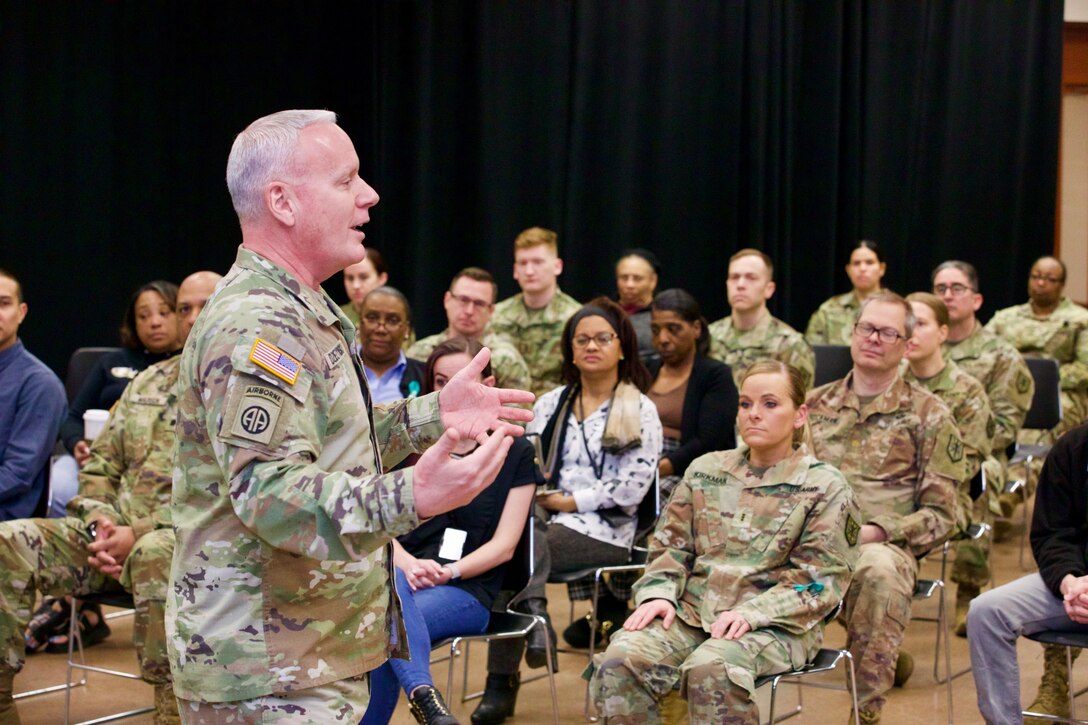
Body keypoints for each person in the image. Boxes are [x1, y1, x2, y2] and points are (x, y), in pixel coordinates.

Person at [167, 109, 533, 723]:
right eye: (346, 180)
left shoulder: (306, 306)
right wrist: (413, 493)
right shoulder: (259, 321)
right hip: (265, 668)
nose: (369, 195)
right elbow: (268, 493)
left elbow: (329, 441)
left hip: (307, 651)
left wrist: (431, 414)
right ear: (282, 201)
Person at [0, 270, 222, 725]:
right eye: (184, 308)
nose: (193, 318)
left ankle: (173, 714)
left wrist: (136, 533)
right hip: (109, 542)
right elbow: (100, 466)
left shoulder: (252, 387)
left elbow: (234, 497)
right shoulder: (146, 384)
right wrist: (102, 524)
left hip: (196, 550)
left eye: (205, 305)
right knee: (8, 541)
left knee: (157, 552)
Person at [590, 360, 860, 724]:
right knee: (620, 657)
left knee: (710, 668)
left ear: (799, 415)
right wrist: (658, 594)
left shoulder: (824, 487)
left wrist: (753, 614)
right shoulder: (706, 471)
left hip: (776, 625)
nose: (753, 415)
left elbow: (819, 583)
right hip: (691, 614)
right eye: (745, 404)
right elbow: (669, 549)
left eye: (770, 404)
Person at [473, 297, 662, 725]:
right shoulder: (551, 402)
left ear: (622, 347)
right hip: (544, 520)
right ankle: (534, 615)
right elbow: (525, 464)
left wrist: (570, 501)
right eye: (582, 339)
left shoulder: (640, 408)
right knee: (519, 542)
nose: (591, 346)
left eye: (602, 338)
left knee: (515, 553)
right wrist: (540, 495)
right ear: (570, 349)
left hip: (606, 530)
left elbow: (632, 490)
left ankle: (500, 683)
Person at [360, 338, 541, 725]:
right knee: (385, 605)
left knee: (382, 625)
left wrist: (448, 572)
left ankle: (420, 698)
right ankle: (426, 699)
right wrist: (408, 564)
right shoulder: (405, 443)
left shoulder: (515, 450)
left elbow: (506, 546)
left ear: (487, 382)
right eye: (440, 381)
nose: (448, 390)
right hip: (399, 577)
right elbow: (376, 516)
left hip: (465, 588)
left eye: (460, 379)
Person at [806, 291, 964, 724]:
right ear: (853, 333)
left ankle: (866, 713)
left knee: (874, 571)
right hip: (806, 540)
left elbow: (944, 514)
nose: (874, 338)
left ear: (905, 344)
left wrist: (877, 531)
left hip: (882, 545)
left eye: (888, 332)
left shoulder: (929, 414)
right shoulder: (813, 406)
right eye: (867, 328)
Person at [563, 288, 738, 649]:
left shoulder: (714, 374)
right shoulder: (646, 371)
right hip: (636, 460)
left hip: (689, 469)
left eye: (673, 329)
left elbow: (712, 438)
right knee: (579, 489)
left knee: (640, 495)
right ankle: (605, 603)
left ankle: (623, 597)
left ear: (697, 329)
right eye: (657, 329)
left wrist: (659, 465)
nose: (662, 338)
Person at [968, 422, 1088, 725]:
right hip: (1078, 584)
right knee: (986, 611)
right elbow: (1051, 533)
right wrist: (1068, 581)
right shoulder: (1074, 447)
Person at [903, 292, 995, 635]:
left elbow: (966, 463)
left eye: (921, 324)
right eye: (905, 325)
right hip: (888, 491)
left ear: (943, 333)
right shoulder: (888, 382)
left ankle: (968, 590)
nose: (910, 333)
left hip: (943, 495)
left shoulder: (967, 391)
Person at [931, 260, 1033, 530]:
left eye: (956, 288)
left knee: (979, 473)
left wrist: (955, 447)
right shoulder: (919, 350)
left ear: (976, 300)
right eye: (940, 289)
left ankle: (971, 568)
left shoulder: (1001, 355)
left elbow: (1006, 425)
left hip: (982, 452)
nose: (947, 295)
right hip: (921, 448)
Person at [985, 256, 1088, 493]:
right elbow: (986, 353)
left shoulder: (1080, 320)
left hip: (1060, 395)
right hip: (1009, 394)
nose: (1041, 283)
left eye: (1049, 279)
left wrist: (1043, 381)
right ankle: (992, 480)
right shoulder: (1006, 318)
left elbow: (1085, 368)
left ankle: (1020, 483)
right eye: (1036, 277)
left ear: (1061, 285)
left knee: (1042, 426)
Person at [59, 280, 182, 463]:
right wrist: (77, 444)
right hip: (101, 457)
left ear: (181, 315)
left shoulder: (191, 364)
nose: (154, 322)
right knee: (61, 482)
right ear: (133, 323)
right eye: (143, 316)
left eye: (164, 313)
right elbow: (74, 419)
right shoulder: (112, 362)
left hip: (166, 463)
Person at [0, 268, 66, 522]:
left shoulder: (40, 383)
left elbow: (17, 475)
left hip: (9, 519)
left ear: (21, 313)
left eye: (4, 304)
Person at [489, 226, 581, 397]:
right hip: (505, 411)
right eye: (523, 263)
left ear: (557, 266)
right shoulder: (496, 315)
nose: (529, 271)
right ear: (515, 270)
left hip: (556, 411)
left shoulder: (576, 318)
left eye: (538, 262)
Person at [407, 267, 532, 393]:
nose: (469, 311)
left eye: (479, 303)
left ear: (491, 311)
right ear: (447, 300)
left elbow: (516, 410)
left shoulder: (507, 359)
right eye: (463, 300)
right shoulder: (419, 352)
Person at [709, 248, 815, 389]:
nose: (740, 285)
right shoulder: (709, 336)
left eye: (751, 277)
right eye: (734, 277)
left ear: (769, 289)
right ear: (727, 284)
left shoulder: (791, 345)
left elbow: (801, 404)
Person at [806, 240, 888, 346]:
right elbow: (812, 353)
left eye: (869, 262)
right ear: (848, 270)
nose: (862, 269)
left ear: (882, 268)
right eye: (856, 263)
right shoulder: (828, 310)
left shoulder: (897, 309)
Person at [359, 286, 425, 403]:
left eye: (392, 320)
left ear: (406, 330)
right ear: (360, 323)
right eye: (372, 318)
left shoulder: (424, 376)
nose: (381, 329)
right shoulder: (335, 371)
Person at [614, 249, 661, 367]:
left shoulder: (663, 317)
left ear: (653, 280)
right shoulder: (604, 314)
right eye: (624, 278)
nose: (629, 285)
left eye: (637, 278)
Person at [341, 248, 389, 327]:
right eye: (350, 278)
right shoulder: (336, 316)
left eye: (364, 277)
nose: (356, 285)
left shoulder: (395, 316)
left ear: (382, 279)